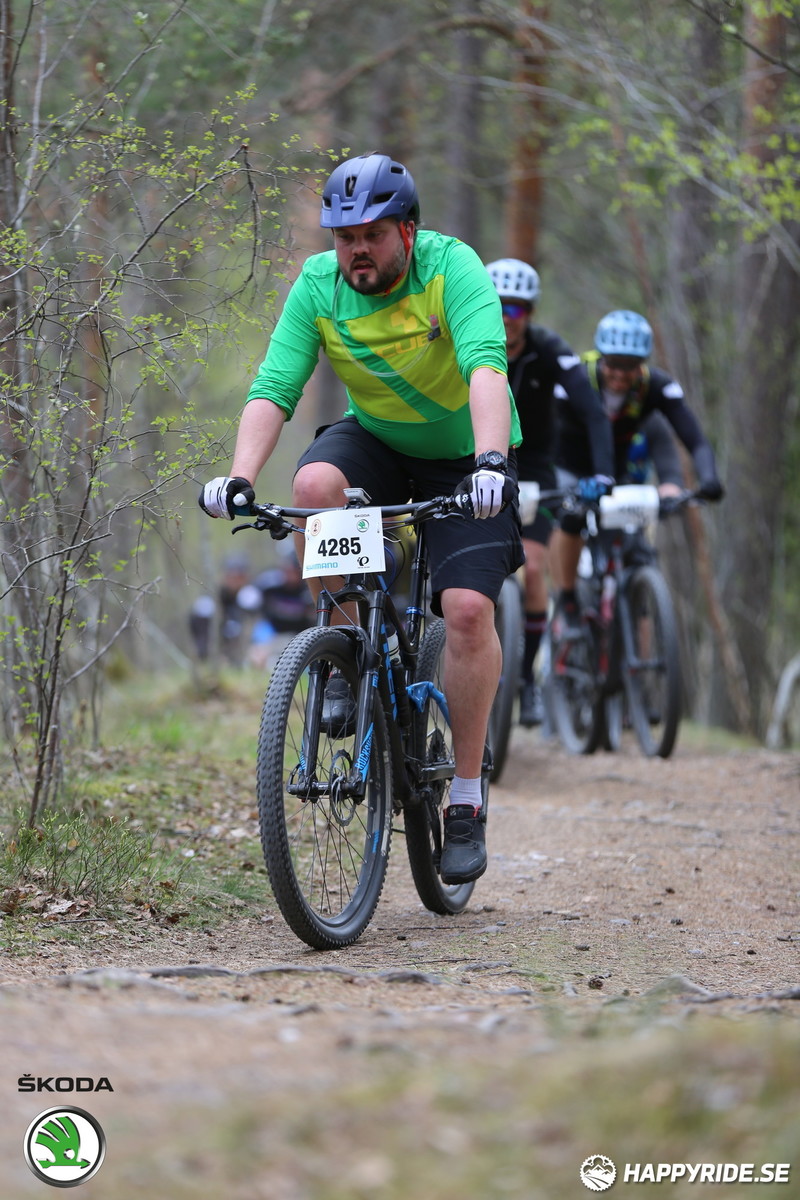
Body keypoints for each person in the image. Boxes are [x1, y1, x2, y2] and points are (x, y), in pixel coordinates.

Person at [199, 152, 524, 885]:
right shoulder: (319, 284)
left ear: (408, 232)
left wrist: (492, 464)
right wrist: (241, 478)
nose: (356, 251)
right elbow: (276, 385)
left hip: (465, 453)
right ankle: (344, 652)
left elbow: (485, 368)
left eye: (372, 234)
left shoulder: (452, 269)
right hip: (377, 438)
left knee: (468, 610)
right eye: (344, 237)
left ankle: (466, 801)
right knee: (314, 482)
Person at [485, 258, 615, 726]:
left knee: (534, 569)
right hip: (471, 457)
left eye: (516, 310)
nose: (505, 317)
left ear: (530, 314)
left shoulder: (549, 350)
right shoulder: (466, 341)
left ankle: (524, 679)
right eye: (498, 306)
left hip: (533, 463)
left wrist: (602, 474)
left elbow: (594, 412)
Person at [549, 309, 724, 632]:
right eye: (613, 363)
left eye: (630, 367)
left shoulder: (653, 386)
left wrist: (703, 480)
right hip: (569, 466)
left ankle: (634, 659)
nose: (620, 373)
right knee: (570, 517)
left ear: (642, 364)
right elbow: (543, 430)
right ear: (601, 358)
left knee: (635, 547)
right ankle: (567, 598)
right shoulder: (578, 377)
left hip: (614, 473)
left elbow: (693, 440)